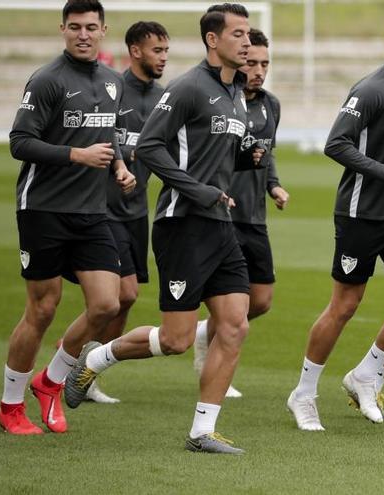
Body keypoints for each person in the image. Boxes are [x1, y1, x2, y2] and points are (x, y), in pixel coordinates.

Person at [65, 3, 263, 455]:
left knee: (234, 325)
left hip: (220, 224)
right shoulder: (190, 87)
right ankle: (96, 358)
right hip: (183, 223)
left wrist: (242, 159)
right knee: (175, 339)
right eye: (238, 34)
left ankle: (202, 431)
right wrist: (198, 190)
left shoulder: (235, 93)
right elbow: (150, 147)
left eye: (248, 34)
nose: (246, 42)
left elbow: (208, 153)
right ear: (213, 40)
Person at [286, 9, 384, 431]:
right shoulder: (371, 89)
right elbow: (335, 144)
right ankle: (303, 393)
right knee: (345, 305)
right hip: (360, 213)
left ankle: (365, 374)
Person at [0, 0, 135, 435]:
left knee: (107, 304)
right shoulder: (46, 80)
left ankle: (51, 381)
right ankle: (10, 407)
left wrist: (118, 164)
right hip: (43, 209)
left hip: (92, 212)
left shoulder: (114, 82)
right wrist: (76, 155)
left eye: (91, 27)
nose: (83, 34)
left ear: (103, 30)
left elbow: (107, 133)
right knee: (42, 310)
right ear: (63, 29)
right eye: (74, 27)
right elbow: (19, 141)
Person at [193, 28, 288, 399]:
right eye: (252, 62)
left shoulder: (272, 104)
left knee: (261, 300)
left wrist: (273, 185)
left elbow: (268, 153)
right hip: (221, 215)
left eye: (265, 63)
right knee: (229, 302)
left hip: (255, 217)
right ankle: (214, 365)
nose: (259, 70)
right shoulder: (222, 101)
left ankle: (206, 333)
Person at [84, 20, 170, 404]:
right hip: (105, 208)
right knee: (123, 292)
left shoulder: (164, 98)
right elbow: (99, 137)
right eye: (157, 50)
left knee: (129, 298)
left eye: (166, 51)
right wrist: (119, 164)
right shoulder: (113, 90)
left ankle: (85, 365)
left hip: (137, 211)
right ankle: (79, 361)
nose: (163, 58)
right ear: (136, 51)